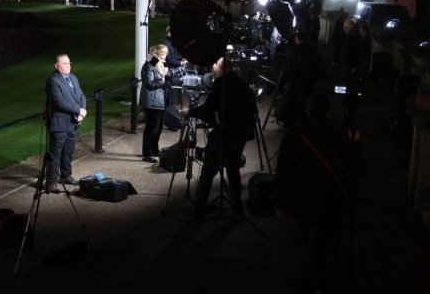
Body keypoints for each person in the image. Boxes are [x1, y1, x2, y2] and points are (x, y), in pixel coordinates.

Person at [274, 92, 365, 294]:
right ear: (328, 111)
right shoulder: (337, 136)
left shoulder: (296, 134)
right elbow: (356, 169)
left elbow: (282, 170)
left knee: (313, 250)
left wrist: (280, 203)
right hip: (328, 203)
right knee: (315, 252)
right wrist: (355, 143)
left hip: (303, 201)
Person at [182, 57, 257, 218]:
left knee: (208, 170)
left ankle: (198, 209)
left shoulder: (221, 84)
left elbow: (209, 108)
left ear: (222, 68)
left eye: (215, 64)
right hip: (241, 133)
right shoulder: (242, 83)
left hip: (226, 133)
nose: (213, 67)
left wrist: (191, 112)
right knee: (232, 168)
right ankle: (238, 210)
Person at [45, 54, 87, 193]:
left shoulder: (73, 78)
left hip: (73, 122)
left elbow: (81, 96)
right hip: (59, 124)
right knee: (55, 154)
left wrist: (83, 110)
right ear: (57, 66)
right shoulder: (53, 81)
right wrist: (79, 110)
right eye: (65, 63)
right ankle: (51, 182)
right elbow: (59, 102)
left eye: (69, 63)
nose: (68, 65)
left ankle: (66, 175)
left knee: (68, 152)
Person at [274, 29, 326, 129]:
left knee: (292, 103)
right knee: (303, 103)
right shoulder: (313, 50)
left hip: (296, 81)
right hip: (309, 82)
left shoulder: (297, 50)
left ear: (297, 39)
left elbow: (291, 66)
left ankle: (290, 124)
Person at [139, 44, 169, 162]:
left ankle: (154, 150)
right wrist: (164, 83)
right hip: (152, 101)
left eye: (165, 54)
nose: (165, 57)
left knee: (158, 127)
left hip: (160, 100)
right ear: (155, 55)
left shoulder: (160, 66)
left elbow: (163, 78)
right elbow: (149, 84)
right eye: (163, 54)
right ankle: (146, 154)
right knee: (151, 128)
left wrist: (167, 77)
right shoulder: (148, 66)